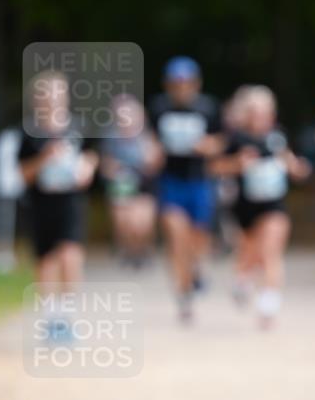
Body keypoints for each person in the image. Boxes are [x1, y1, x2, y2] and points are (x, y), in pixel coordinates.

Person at [211, 85, 311, 328]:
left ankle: (269, 303)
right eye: (256, 113)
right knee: (249, 254)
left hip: (273, 205)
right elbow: (215, 167)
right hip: (244, 207)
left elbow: (291, 163)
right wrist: (237, 163)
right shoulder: (236, 139)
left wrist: (298, 169)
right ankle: (242, 280)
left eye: (266, 112)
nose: (262, 118)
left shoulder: (277, 138)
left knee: (271, 251)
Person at [18, 71, 98, 337]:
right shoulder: (30, 132)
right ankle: (51, 318)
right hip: (41, 204)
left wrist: (87, 168)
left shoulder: (79, 127)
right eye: (46, 94)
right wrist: (44, 159)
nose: (51, 99)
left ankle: (69, 315)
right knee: (46, 260)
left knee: (70, 254)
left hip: (71, 202)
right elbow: (23, 174)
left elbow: (92, 155)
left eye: (56, 93)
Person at [148, 57, 223, 321]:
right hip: (171, 182)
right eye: (176, 84)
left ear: (195, 84)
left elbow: (221, 141)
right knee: (176, 236)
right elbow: (151, 140)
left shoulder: (207, 108)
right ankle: (183, 294)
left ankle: (196, 270)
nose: (181, 89)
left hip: (199, 181)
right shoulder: (159, 108)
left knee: (198, 238)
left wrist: (207, 146)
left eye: (186, 83)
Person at [99, 94, 162, 267]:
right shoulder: (110, 138)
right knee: (124, 224)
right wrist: (113, 170)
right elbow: (105, 164)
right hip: (121, 187)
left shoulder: (147, 137)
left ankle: (143, 250)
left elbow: (156, 162)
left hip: (144, 186)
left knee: (142, 224)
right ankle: (129, 251)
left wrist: (149, 161)